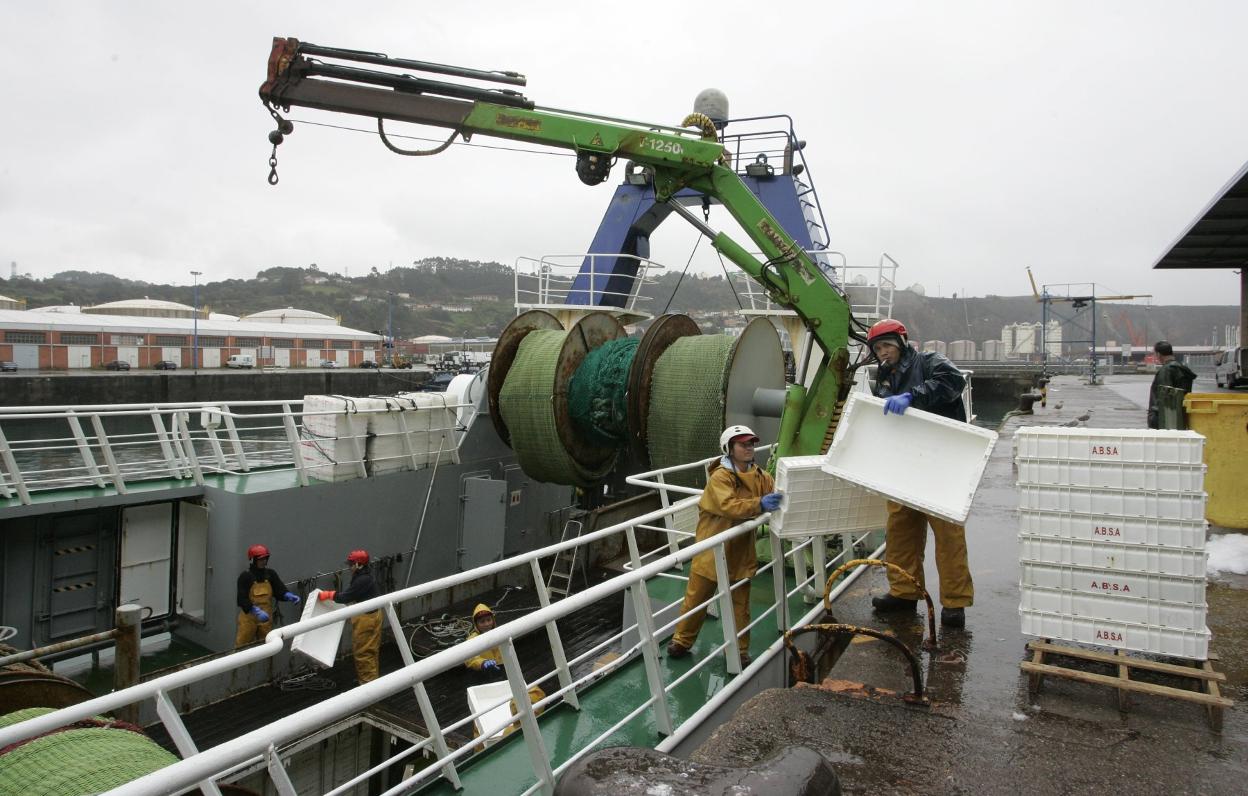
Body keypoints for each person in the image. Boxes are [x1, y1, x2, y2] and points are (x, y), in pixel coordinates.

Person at [866, 318, 974, 628]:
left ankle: (954, 602)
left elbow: (953, 382)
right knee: (900, 528)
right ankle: (903, 592)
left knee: (948, 532)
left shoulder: (930, 362)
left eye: (886, 345)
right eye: (877, 349)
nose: (882, 353)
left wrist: (913, 396)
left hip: (941, 460)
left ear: (900, 342)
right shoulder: (884, 377)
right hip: (905, 463)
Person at [666, 425, 782, 665]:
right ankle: (682, 641)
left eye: (751, 443)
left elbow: (774, 490)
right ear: (729, 449)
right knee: (696, 599)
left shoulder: (760, 475)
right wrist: (760, 504)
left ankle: (740, 650)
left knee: (740, 605)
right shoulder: (720, 477)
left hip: (739, 549)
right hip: (712, 547)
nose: (749, 447)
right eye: (743, 444)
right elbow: (729, 505)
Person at [318, 549, 382, 683]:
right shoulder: (366, 577)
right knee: (371, 650)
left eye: (351, 564)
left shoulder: (362, 580)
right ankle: (372, 680)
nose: (349, 568)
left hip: (366, 620)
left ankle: (367, 687)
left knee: (363, 653)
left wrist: (329, 595)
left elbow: (346, 597)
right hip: (373, 615)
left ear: (359, 565)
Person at [235, 544, 301, 648]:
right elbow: (241, 599)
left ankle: (264, 663)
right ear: (253, 560)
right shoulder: (245, 576)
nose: (264, 561)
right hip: (249, 618)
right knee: (242, 645)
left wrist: (287, 595)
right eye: (261, 559)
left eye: (265, 558)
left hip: (266, 617)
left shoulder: (270, 574)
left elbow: (279, 590)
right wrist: (255, 611)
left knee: (266, 645)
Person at [1147, 340, 1197, 429]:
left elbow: (1165, 397)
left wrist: (1154, 418)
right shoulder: (1183, 369)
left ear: (1158, 354)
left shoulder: (1166, 371)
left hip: (1164, 419)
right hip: (1181, 416)